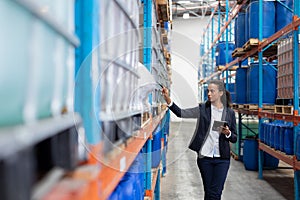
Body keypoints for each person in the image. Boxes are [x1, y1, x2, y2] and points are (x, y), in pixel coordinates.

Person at [162, 79, 237, 200]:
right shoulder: (202, 109)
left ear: (221, 93)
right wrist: (167, 99)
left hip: (222, 159)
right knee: (208, 192)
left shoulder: (230, 113)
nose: (209, 94)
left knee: (216, 192)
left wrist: (228, 133)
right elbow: (181, 113)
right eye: (208, 91)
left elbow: (234, 138)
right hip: (205, 158)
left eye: (212, 91)